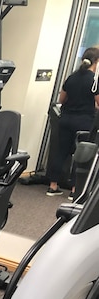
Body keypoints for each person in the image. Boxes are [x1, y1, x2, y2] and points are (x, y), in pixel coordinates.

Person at [46, 46, 99, 198]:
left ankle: (53, 186)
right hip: (84, 122)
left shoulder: (72, 77)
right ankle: (75, 190)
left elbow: (62, 99)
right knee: (81, 155)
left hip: (66, 120)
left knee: (60, 151)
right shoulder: (93, 81)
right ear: (96, 62)